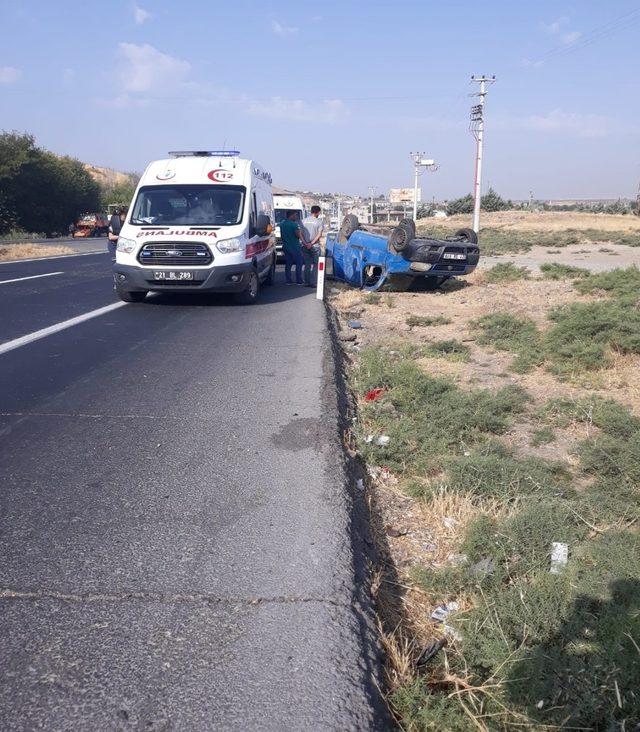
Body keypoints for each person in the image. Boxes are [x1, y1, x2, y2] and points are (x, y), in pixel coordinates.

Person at [301, 205, 324, 287]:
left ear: (311, 211)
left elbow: (300, 234)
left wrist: (305, 243)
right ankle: (313, 283)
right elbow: (319, 234)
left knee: (307, 264)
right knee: (315, 264)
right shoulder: (319, 222)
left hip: (305, 245)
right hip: (315, 246)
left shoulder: (303, 221)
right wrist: (312, 243)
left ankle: (306, 282)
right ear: (317, 212)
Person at [279, 209, 303, 285]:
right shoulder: (294, 225)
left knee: (288, 264)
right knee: (299, 263)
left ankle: (288, 281)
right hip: (295, 247)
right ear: (291, 215)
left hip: (286, 246)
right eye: (295, 215)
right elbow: (297, 235)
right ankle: (299, 281)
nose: (296, 217)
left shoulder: (282, 224)